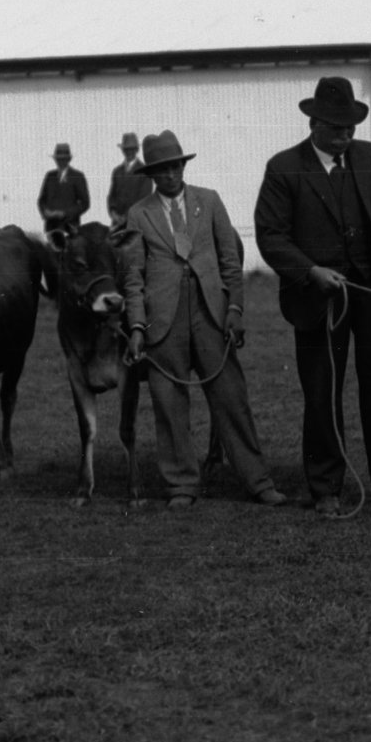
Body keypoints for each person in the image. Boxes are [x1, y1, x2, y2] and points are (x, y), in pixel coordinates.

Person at [253, 75, 371, 517]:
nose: (345, 136)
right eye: (336, 128)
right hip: (317, 302)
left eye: (350, 127)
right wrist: (310, 271)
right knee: (322, 391)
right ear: (313, 123)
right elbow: (271, 236)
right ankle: (326, 488)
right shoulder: (283, 169)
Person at [119, 130, 286, 511]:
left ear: (184, 166)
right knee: (168, 403)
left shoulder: (209, 202)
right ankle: (182, 484)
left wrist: (235, 310)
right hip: (163, 321)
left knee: (231, 399)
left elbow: (231, 261)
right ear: (151, 173)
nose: (171, 175)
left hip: (211, 315)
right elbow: (133, 276)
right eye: (162, 170)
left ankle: (258, 482)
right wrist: (138, 326)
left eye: (176, 166)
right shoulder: (139, 214)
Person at [37, 143, 90, 229]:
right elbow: (41, 200)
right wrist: (45, 212)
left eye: (63, 159)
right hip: (50, 226)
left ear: (68, 159)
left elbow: (85, 203)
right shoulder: (49, 176)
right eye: (58, 159)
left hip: (70, 226)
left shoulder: (77, 176)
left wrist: (65, 213)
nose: (60, 162)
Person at [107, 131, 152, 227]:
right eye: (126, 149)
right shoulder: (117, 171)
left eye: (132, 149)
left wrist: (126, 217)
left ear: (137, 150)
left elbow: (144, 199)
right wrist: (113, 212)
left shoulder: (144, 171)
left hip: (137, 222)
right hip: (117, 223)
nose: (129, 152)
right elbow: (112, 196)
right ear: (123, 150)